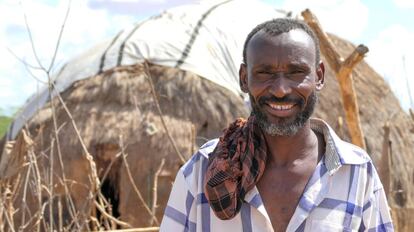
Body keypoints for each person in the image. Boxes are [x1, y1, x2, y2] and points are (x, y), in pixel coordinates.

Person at [160, 18, 394, 232]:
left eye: (297, 72)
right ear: (244, 78)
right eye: (264, 73)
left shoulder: (357, 172)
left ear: (319, 76)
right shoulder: (201, 171)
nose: (280, 89)